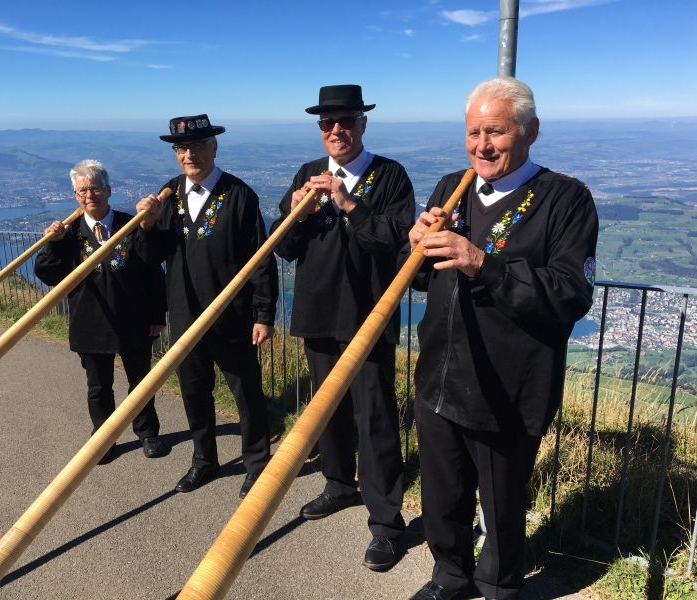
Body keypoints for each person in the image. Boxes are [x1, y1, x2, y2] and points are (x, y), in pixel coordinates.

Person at [406, 77, 599, 600]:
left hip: (508, 388)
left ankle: (499, 584)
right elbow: (424, 277)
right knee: (442, 494)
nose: (482, 146)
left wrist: (483, 264)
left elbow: (569, 294)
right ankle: (449, 575)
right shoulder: (452, 186)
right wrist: (417, 248)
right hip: (441, 378)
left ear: (530, 131)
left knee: (503, 504)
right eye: (473, 132)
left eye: (496, 131)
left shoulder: (567, 199)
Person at [270, 84, 415, 571]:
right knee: (327, 411)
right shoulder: (307, 174)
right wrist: (293, 216)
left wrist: (350, 204)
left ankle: (386, 524)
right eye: (327, 124)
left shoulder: (389, 176)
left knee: (375, 420)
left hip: (368, 318)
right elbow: (284, 249)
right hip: (317, 314)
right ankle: (338, 483)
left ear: (363, 124)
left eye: (346, 121)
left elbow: (396, 245)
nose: (337, 131)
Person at [135, 114, 277, 499]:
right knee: (195, 392)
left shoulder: (240, 195)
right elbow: (150, 256)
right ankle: (204, 460)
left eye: (197, 146)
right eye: (181, 148)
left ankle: (257, 463)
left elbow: (262, 258)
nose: (189, 154)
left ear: (214, 147)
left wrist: (263, 313)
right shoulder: (168, 194)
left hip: (232, 316)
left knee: (246, 393)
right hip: (184, 315)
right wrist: (146, 226)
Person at [35, 160, 169, 464]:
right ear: (75, 196)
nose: (89, 195)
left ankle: (148, 433)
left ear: (108, 191)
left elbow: (152, 271)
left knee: (140, 382)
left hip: (133, 320)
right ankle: (104, 438)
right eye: (82, 190)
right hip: (90, 323)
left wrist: (157, 317)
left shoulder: (129, 224)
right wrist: (53, 246)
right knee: (98, 386)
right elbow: (47, 273)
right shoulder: (68, 234)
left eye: (95, 188)